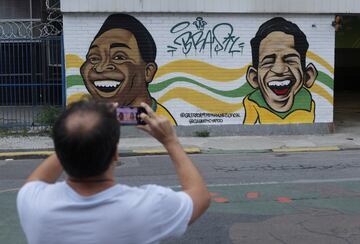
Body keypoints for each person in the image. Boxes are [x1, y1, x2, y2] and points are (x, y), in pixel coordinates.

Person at [17, 100, 210, 244]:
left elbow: (37, 179)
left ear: (60, 149)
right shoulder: (146, 206)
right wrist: (170, 142)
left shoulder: (34, 204)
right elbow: (200, 196)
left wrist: (78, 135)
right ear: (115, 154)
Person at [80, 13, 176, 124]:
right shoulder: (94, 121)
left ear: (148, 72)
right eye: (94, 58)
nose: (100, 68)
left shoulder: (163, 121)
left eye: (119, 57)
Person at [243, 17, 318, 124]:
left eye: (290, 60)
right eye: (268, 62)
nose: (279, 69)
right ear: (254, 78)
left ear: (308, 76)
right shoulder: (253, 103)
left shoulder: (307, 103)